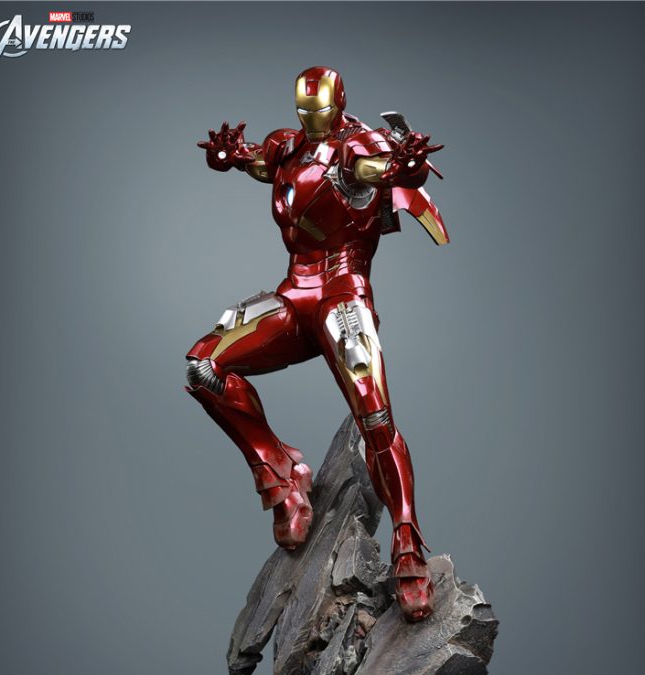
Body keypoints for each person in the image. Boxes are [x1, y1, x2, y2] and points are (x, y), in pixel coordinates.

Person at [186, 66, 449, 622]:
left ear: (339, 104)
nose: (311, 121)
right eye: (304, 112)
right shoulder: (288, 145)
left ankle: (407, 542)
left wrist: (406, 166)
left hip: (342, 291)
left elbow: (380, 171)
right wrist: (227, 157)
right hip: (294, 294)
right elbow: (257, 164)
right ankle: (280, 474)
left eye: (319, 112)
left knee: (376, 420)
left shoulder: (358, 147)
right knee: (205, 368)